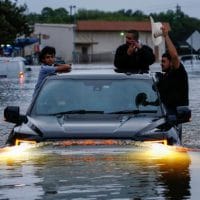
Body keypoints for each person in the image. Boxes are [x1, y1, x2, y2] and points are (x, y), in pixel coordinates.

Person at [156, 25, 189, 113]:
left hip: (177, 115)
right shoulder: (162, 77)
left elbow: (174, 56)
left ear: (171, 63)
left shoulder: (178, 73)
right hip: (163, 113)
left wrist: (166, 36)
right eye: (161, 61)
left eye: (163, 61)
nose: (161, 64)